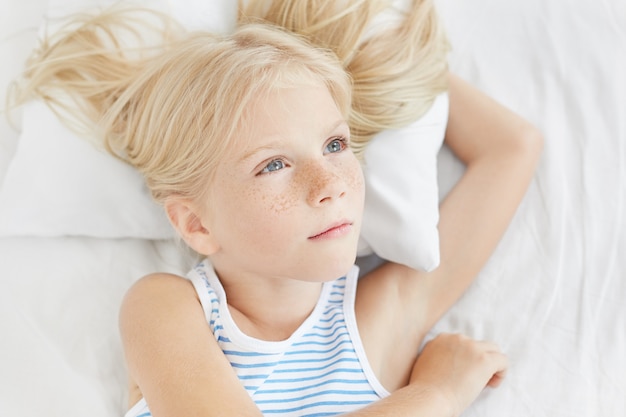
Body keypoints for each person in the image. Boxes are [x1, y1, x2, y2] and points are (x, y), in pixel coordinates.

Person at [10, 1, 542, 416]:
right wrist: (436, 397)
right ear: (196, 223)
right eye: (273, 165)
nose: (329, 185)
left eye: (335, 145)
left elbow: (513, 147)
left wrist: (384, 57)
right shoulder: (168, 312)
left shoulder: (384, 313)